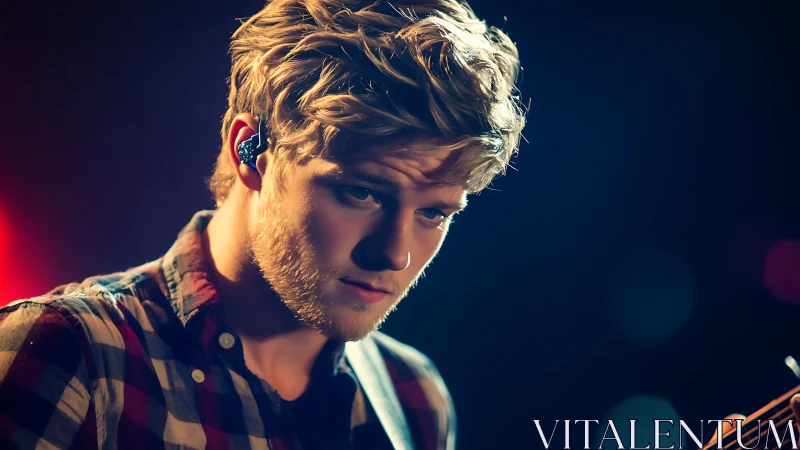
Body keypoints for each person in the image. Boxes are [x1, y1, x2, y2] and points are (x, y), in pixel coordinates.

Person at [0, 0, 525, 448]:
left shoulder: (414, 400)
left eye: (433, 212)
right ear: (250, 151)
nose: (395, 254)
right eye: (362, 193)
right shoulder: (71, 358)